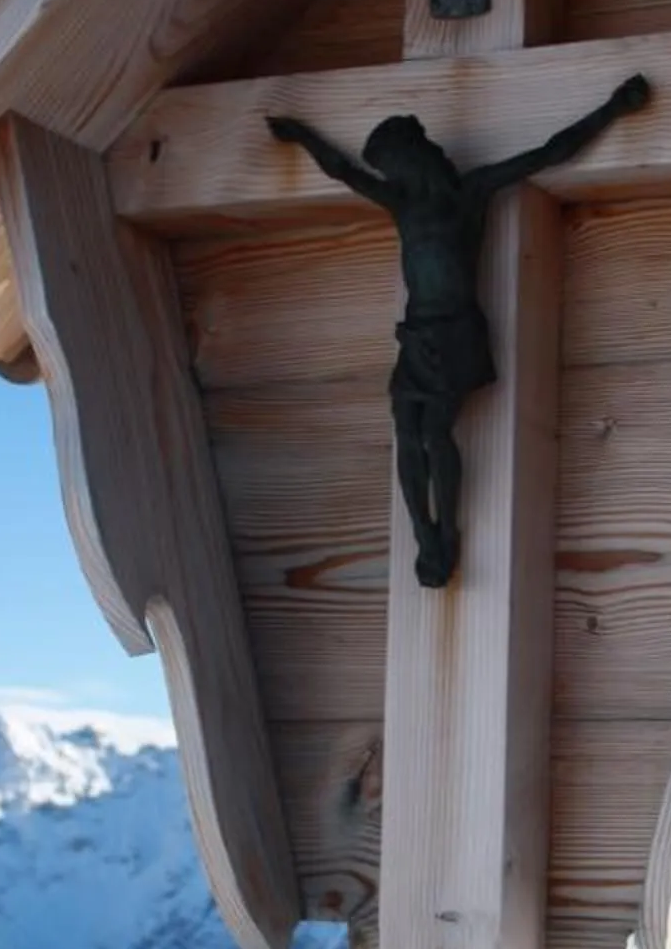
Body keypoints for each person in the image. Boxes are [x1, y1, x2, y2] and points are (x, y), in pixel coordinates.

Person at [268, 73, 651, 584]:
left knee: (433, 431)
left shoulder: (469, 192)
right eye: (387, 169)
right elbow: (342, 170)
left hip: (455, 334)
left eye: (395, 164)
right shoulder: (402, 203)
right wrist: (300, 135)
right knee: (406, 429)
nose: (392, 175)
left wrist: (612, 109)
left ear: (415, 155)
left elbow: (551, 152)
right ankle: (423, 535)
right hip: (417, 332)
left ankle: (446, 530)